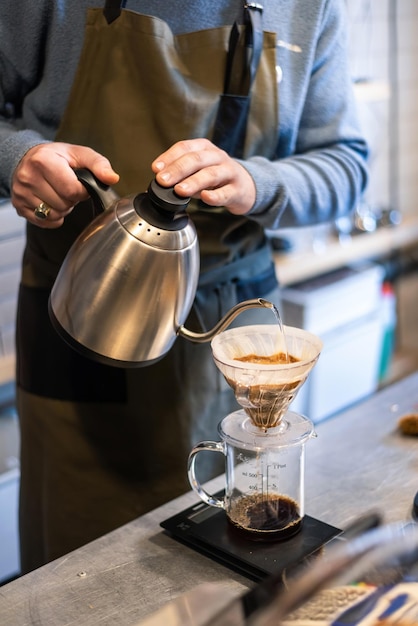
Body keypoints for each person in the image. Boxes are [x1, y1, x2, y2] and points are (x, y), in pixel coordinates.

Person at [0, 0, 368, 574]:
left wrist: (256, 181)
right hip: (81, 317)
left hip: (228, 345)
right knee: (75, 577)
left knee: (235, 566)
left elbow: (348, 164)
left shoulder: (307, 7)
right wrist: (14, 160)